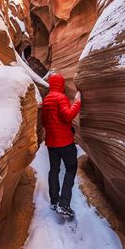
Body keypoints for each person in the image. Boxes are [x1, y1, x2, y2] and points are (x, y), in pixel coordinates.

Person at [41, 73, 81, 217]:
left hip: (51, 143)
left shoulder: (46, 100)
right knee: (71, 168)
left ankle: (54, 201)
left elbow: (44, 123)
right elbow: (68, 115)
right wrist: (77, 102)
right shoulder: (61, 97)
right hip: (65, 142)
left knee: (54, 170)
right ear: (60, 84)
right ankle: (64, 204)